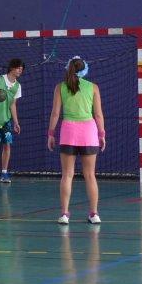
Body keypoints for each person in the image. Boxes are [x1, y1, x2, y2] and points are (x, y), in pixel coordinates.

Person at [47, 56, 105, 225]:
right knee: (90, 175)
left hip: (68, 133)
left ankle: (64, 214)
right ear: (84, 70)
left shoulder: (60, 87)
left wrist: (51, 134)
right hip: (89, 134)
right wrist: (101, 134)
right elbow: (98, 114)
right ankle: (94, 214)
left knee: (67, 175)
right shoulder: (93, 87)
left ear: (69, 68)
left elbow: (55, 113)